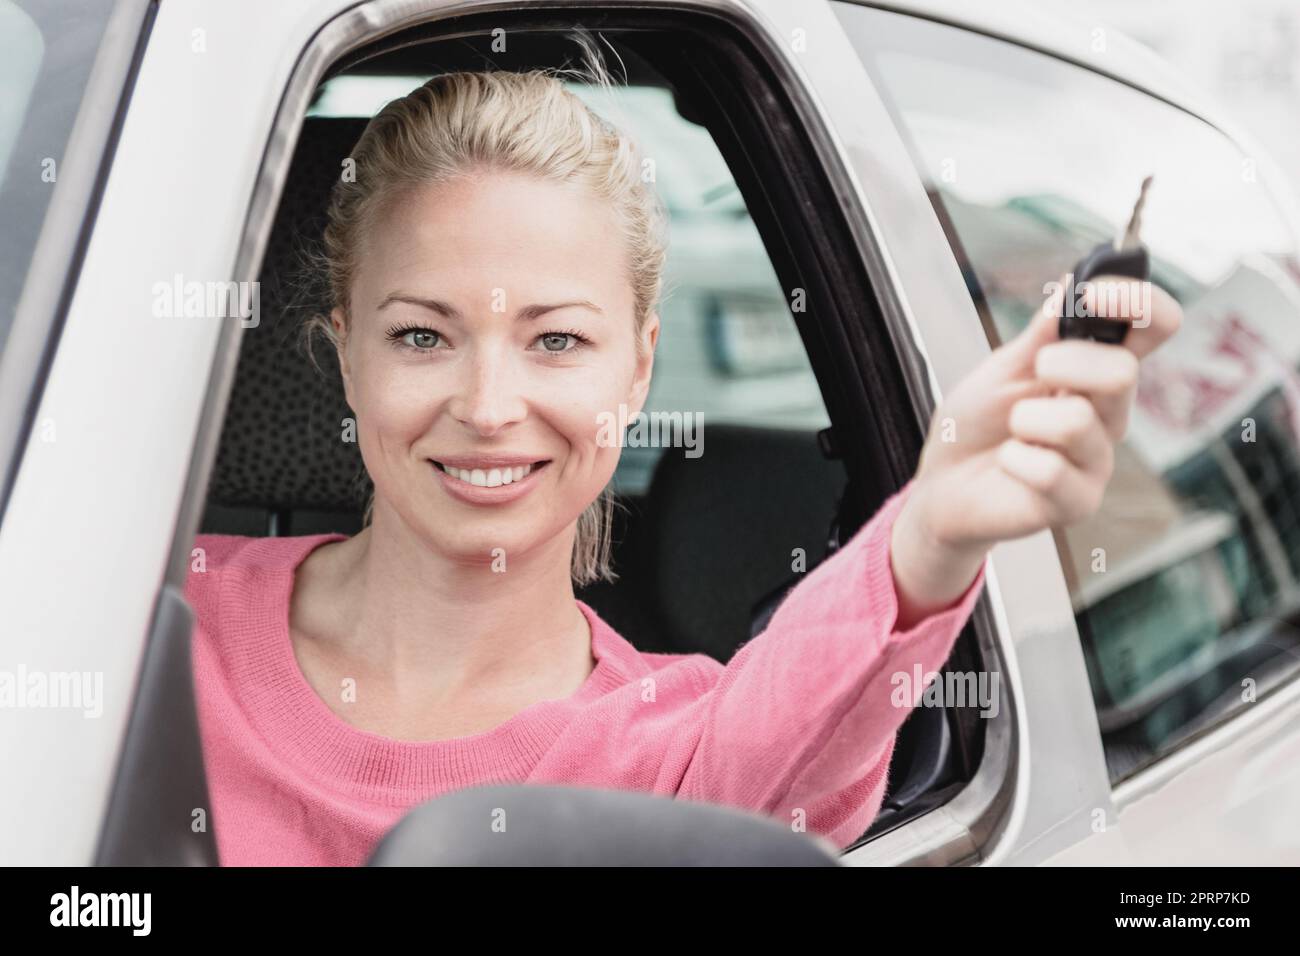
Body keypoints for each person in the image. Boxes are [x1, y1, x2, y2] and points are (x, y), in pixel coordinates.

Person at [185, 64, 1182, 866]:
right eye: (419, 337)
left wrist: (934, 528)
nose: (487, 407)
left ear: (640, 365)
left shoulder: (680, 753)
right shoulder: (151, 618)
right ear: (342, 351)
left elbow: (792, 732)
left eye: (558, 341)